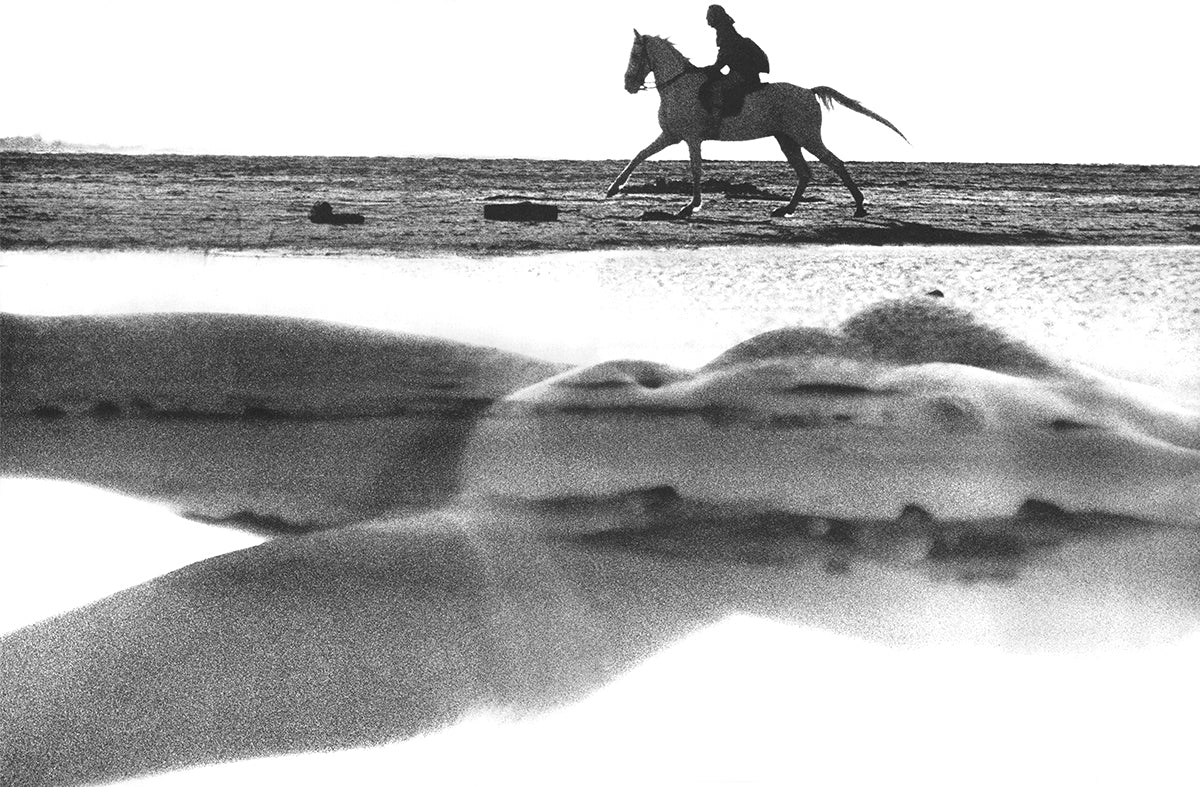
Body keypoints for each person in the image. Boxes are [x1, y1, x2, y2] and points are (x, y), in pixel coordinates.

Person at [702, 5, 770, 128]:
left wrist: (711, 69)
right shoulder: (724, 30)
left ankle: (715, 122)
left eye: (709, 15)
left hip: (743, 73)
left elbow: (724, 56)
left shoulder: (725, 32)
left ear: (715, 16)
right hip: (740, 71)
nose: (707, 19)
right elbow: (724, 56)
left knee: (716, 87)